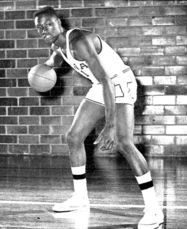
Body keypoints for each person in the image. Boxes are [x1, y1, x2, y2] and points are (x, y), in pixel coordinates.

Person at [34, 6, 164, 229]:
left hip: (118, 83)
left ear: (59, 23)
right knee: (74, 137)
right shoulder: (58, 43)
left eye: (48, 24)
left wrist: (110, 124)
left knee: (124, 142)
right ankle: (80, 199)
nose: (44, 29)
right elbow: (58, 56)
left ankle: (153, 208)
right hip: (102, 85)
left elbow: (107, 81)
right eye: (39, 27)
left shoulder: (79, 41)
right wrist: (45, 67)